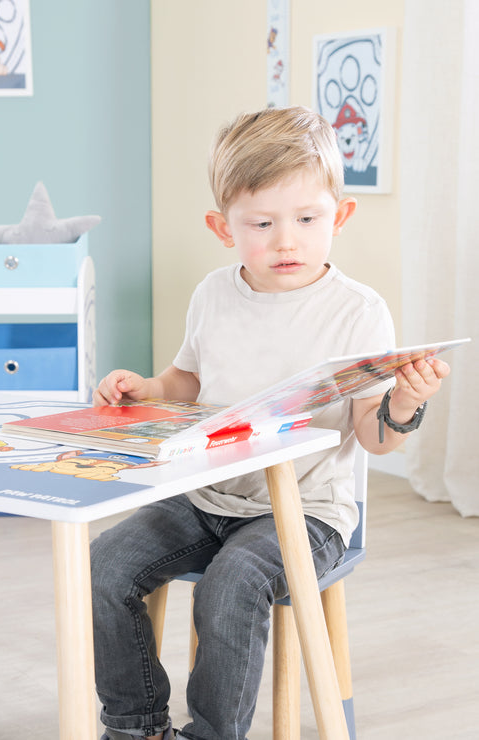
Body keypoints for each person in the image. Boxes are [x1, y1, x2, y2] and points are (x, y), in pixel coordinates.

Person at [90, 105, 450, 740]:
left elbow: (374, 436)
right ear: (223, 228)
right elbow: (188, 383)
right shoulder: (212, 294)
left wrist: (401, 405)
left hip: (307, 511)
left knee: (229, 586)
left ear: (339, 215)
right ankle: (137, 726)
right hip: (207, 496)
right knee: (105, 565)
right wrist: (147, 389)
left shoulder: (359, 312)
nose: (286, 240)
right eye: (261, 223)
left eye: (307, 219)